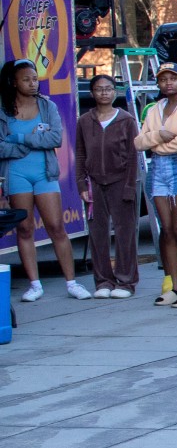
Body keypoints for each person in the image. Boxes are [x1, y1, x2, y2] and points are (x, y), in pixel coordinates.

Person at [2, 60, 88, 302]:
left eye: (34, 79)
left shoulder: (46, 105)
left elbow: (54, 138)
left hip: (45, 173)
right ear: (13, 82)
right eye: (26, 79)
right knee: (25, 228)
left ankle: (71, 282)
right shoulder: (3, 110)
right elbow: (1, 145)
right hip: (16, 174)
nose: (32, 83)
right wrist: (25, 144)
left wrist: (20, 138)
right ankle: (34, 284)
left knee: (56, 227)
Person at [134, 60, 177, 307]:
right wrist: (159, 137)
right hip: (158, 168)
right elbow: (139, 142)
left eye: (172, 78)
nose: (168, 83)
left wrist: (156, 142)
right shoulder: (155, 107)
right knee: (167, 230)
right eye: (163, 79)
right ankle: (176, 287)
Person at [73, 74, 139, 298]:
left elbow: (133, 156)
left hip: (120, 181)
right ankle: (103, 281)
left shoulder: (126, 120)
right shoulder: (84, 120)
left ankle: (126, 282)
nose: (104, 93)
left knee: (124, 233)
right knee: (97, 233)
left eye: (108, 89)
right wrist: (81, 183)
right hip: (94, 183)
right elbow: (80, 154)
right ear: (92, 93)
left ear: (115, 92)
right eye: (99, 89)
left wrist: (130, 186)